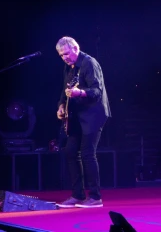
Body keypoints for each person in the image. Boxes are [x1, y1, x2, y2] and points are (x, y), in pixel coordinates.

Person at [55, 36, 111, 208]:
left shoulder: (89, 63)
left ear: (75, 48)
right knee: (70, 152)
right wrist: (61, 106)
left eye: (66, 54)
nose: (64, 58)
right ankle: (77, 195)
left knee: (87, 153)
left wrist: (80, 93)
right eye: (61, 55)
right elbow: (64, 92)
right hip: (77, 116)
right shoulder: (68, 67)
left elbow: (96, 90)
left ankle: (95, 197)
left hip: (94, 114)